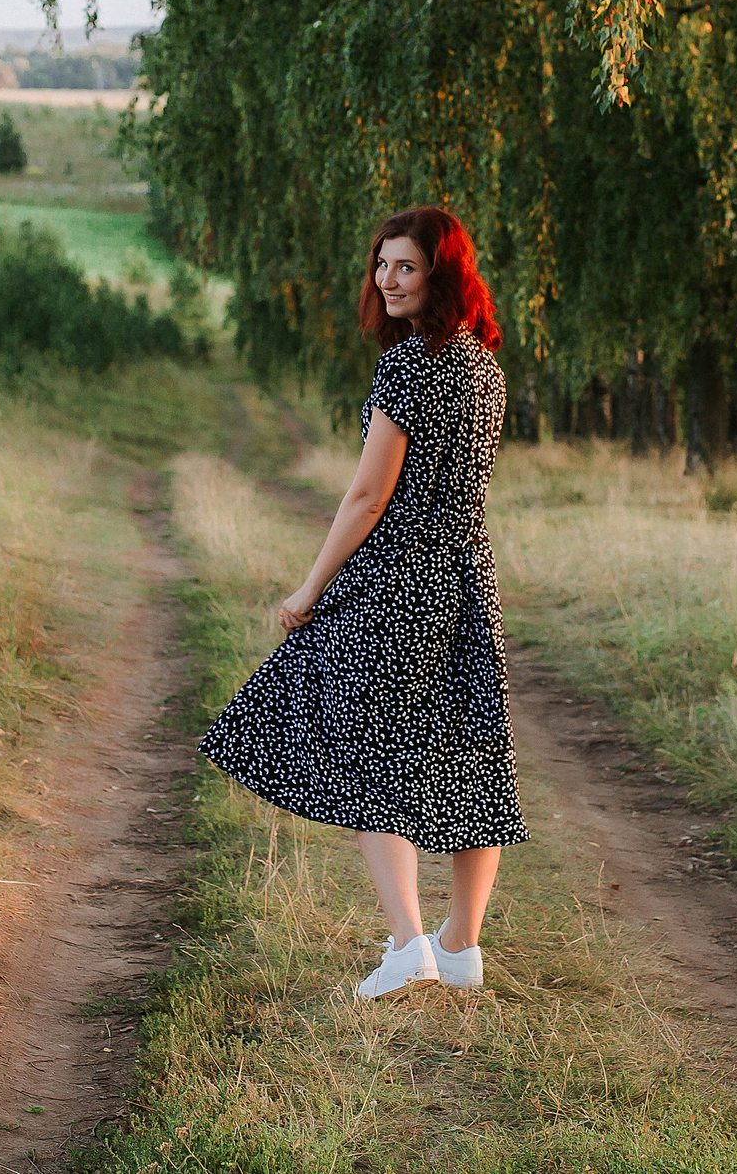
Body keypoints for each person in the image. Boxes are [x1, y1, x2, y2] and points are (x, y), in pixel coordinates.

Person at [200, 205, 528, 1000]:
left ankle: (411, 942)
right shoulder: (485, 366)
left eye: (405, 266)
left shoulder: (410, 367)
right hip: (465, 579)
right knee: (467, 754)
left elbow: (367, 495)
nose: (386, 280)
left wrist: (309, 587)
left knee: (371, 753)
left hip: (395, 582)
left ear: (441, 272)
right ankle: (462, 948)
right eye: (381, 264)